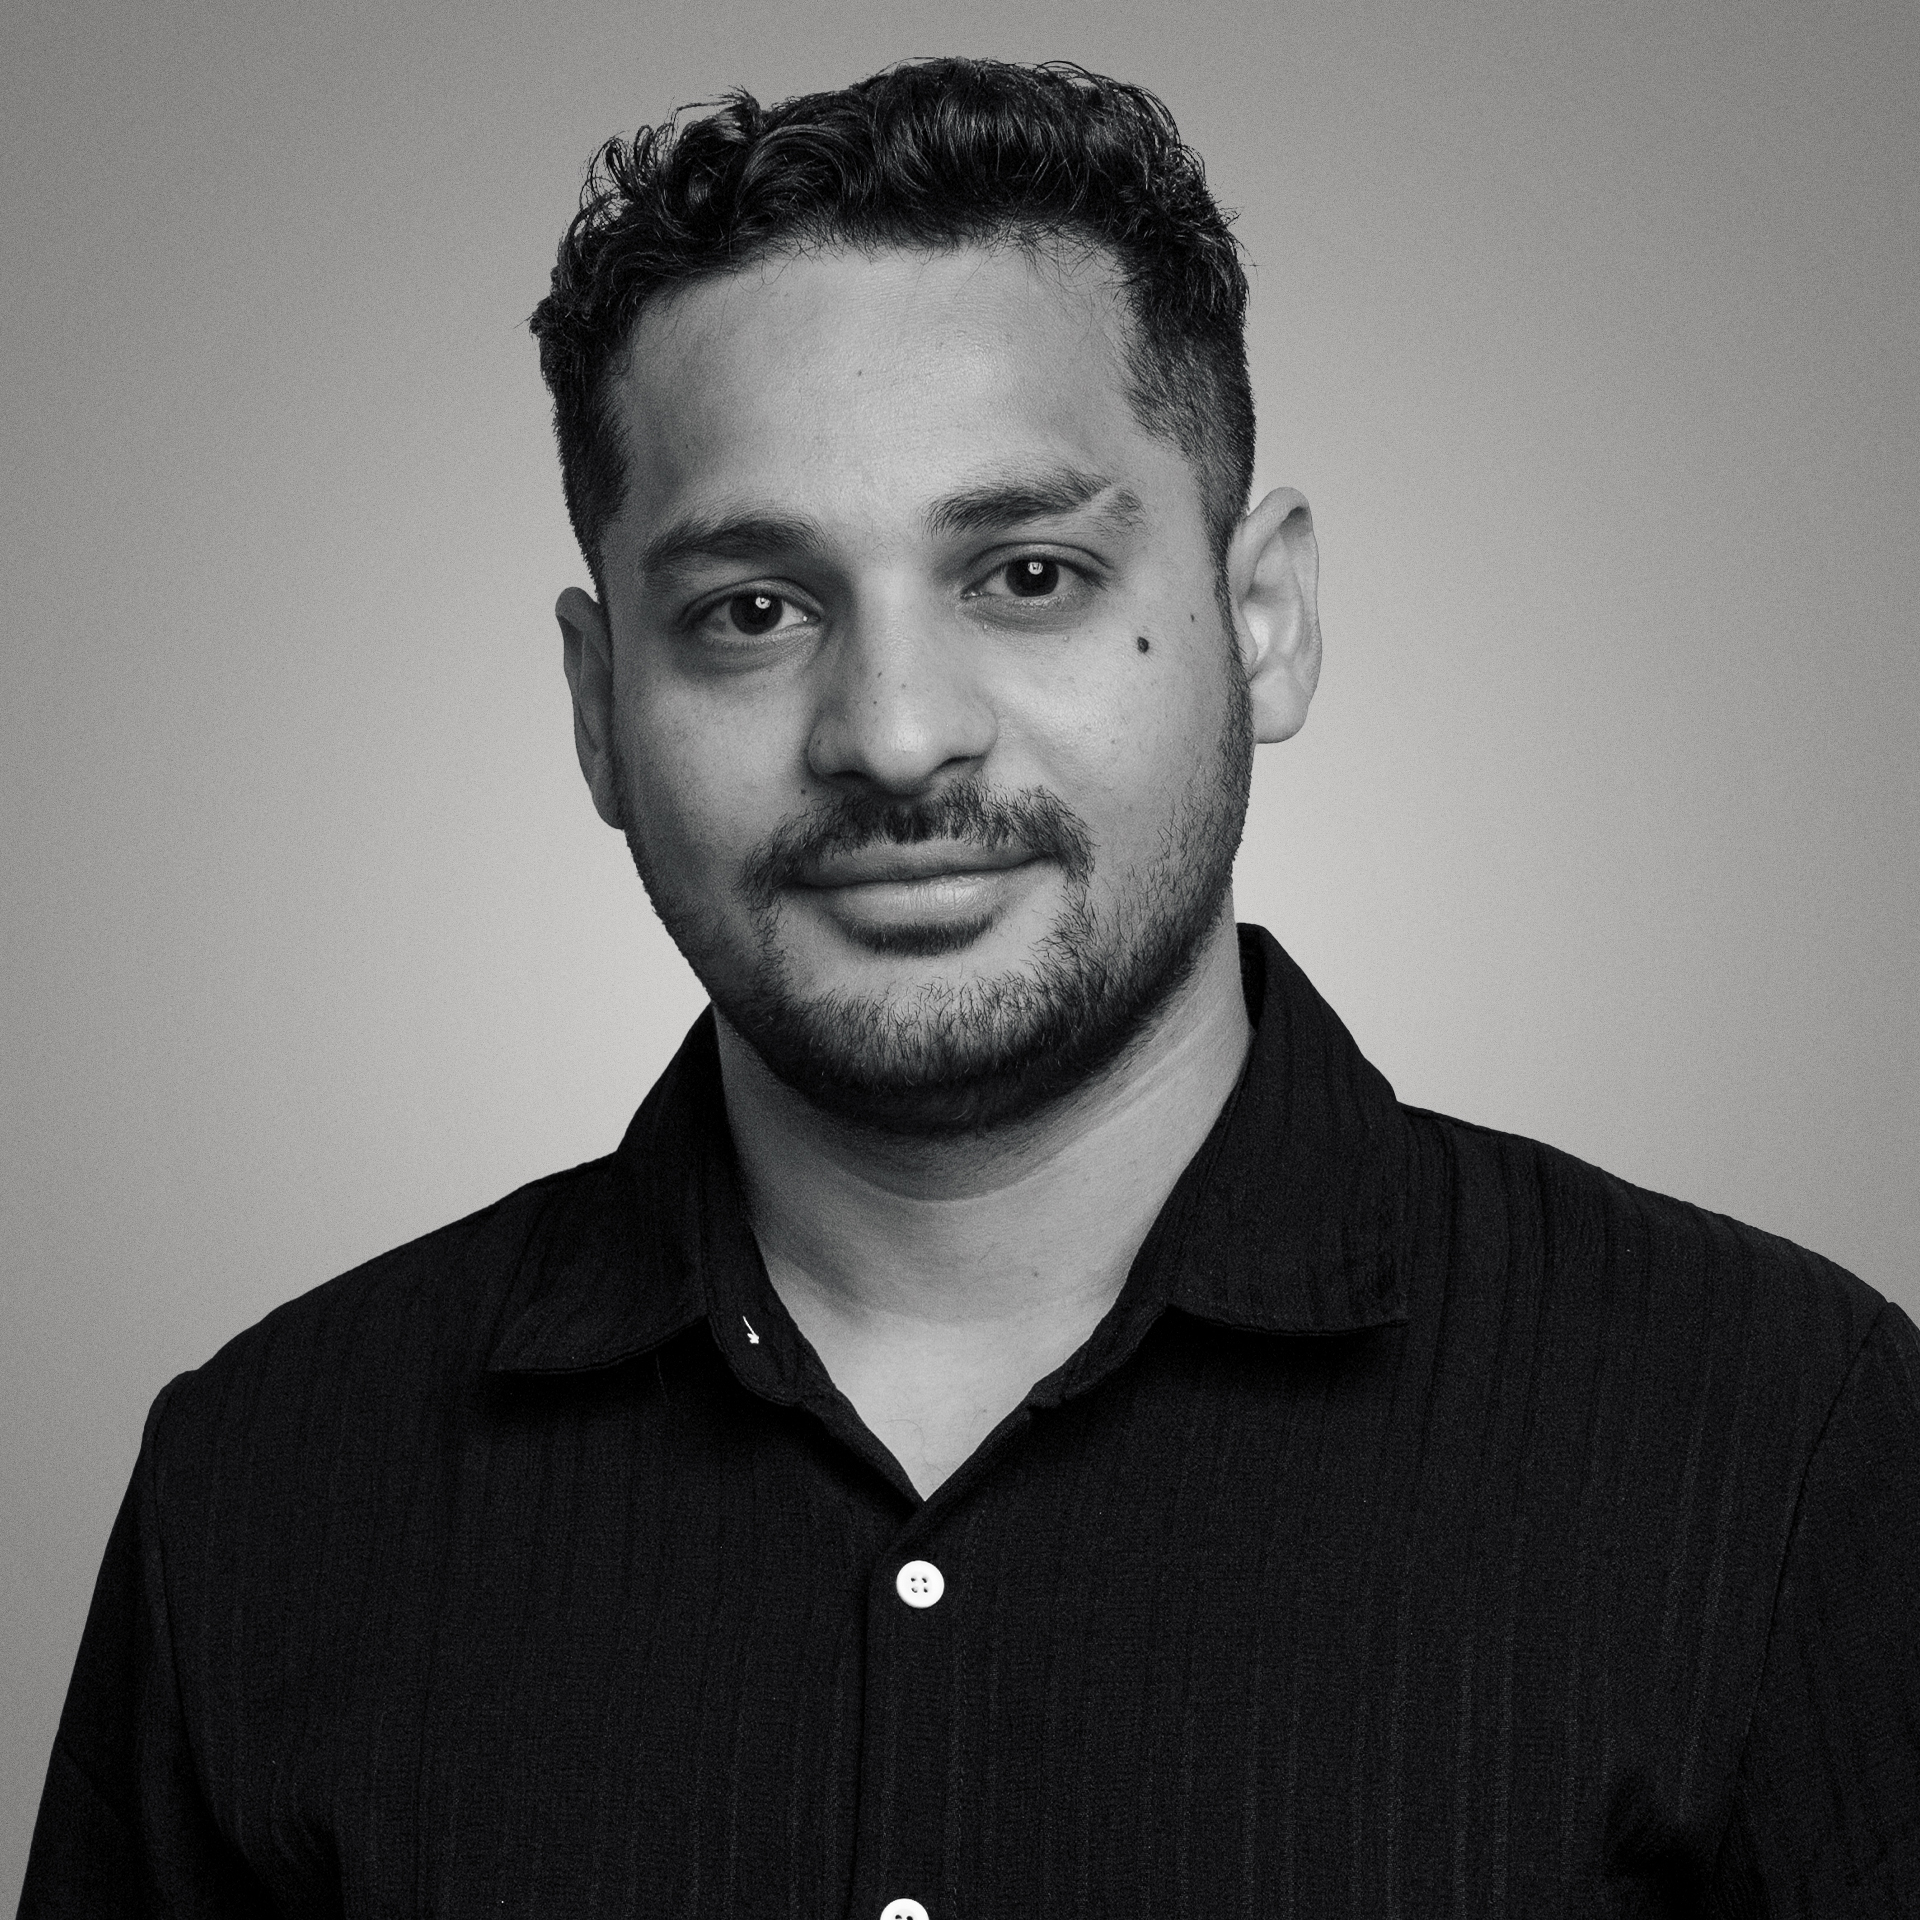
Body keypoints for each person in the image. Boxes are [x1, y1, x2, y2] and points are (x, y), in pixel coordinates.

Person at [22, 56, 1918, 1918]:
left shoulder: (1778, 1444)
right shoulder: (263, 1489)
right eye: (753, 610)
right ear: (600, 709)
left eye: (1026, 574)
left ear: (1264, 620)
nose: (895, 732)